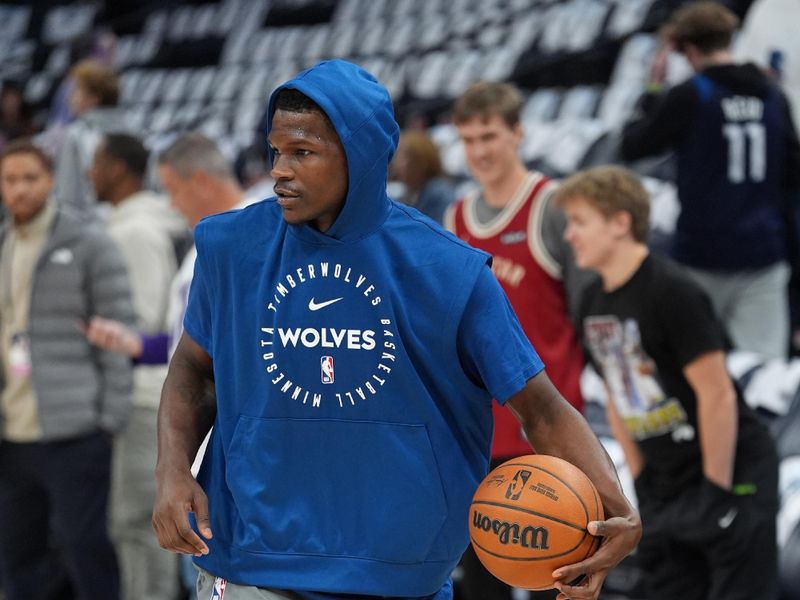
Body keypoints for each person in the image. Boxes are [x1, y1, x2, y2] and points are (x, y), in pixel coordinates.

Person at [151, 59, 640, 600]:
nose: (279, 171)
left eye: (303, 153)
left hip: (403, 575)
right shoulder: (229, 246)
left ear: (360, 156)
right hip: (252, 564)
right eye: (276, 151)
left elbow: (541, 408)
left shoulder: (448, 270)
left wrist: (614, 505)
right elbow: (195, 371)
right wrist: (173, 471)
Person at [556, 165, 779, 600]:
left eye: (580, 222)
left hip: (730, 473)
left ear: (621, 222)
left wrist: (716, 490)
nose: (570, 235)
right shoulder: (590, 302)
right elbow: (618, 399)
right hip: (664, 483)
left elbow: (717, 394)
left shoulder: (671, 289)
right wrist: (640, 482)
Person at [83, 131, 257, 600]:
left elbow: (234, 355)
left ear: (199, 180)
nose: (171, 203)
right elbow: (191, 351)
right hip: (192, 429)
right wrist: (137, 344)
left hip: (232, 441)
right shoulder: (205, 243)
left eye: (173, 189)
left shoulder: (256, 238)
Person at [445, 81, 592, 599]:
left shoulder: (552, 207)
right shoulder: (454, 219)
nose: (479, 151)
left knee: (567, 580)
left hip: (548, 434)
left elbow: (591, 314)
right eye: (468, 139)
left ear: (518, 133)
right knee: (484, 583)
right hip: (480, 437)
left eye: (489, 136)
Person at [620, 1, 800, 361]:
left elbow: (632, 145)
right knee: (759, 384)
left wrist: (653, 89)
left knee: (692, 379)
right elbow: (793, 184)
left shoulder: (690, 94)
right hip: (763, 260)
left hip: (701, 260)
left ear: (688, 50)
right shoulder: (773, 96)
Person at [0, 139, 135, 599]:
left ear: (51, 180)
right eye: (10, 179)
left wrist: (109, 419)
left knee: (86, 550)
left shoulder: (87, 243)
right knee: (19, 557)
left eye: (29, 178)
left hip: (75, 431)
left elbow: (119, 330)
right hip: (12, 434)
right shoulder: (3, 244)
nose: (19, 189)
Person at [87, 132, 181, 600]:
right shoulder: (130, 224)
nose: (89, 173)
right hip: (137, 395)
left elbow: (148, 321)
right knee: (130, 523)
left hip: (147, 394)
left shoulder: (137, 231)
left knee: (140, 524)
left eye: (97, 162)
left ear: (119, 169)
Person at [54, 59, 130, 216]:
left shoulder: (75, 134)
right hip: (134, 219)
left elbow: (67, 196)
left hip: (93, 227)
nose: (70, 99)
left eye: (76, 92)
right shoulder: (136, 130)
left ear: (94, 98)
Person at [390, 129, 456, 225]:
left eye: (404, 157)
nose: (398, 164)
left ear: (422, 162)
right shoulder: (408, 193)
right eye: (398, 157)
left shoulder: (438, 192)